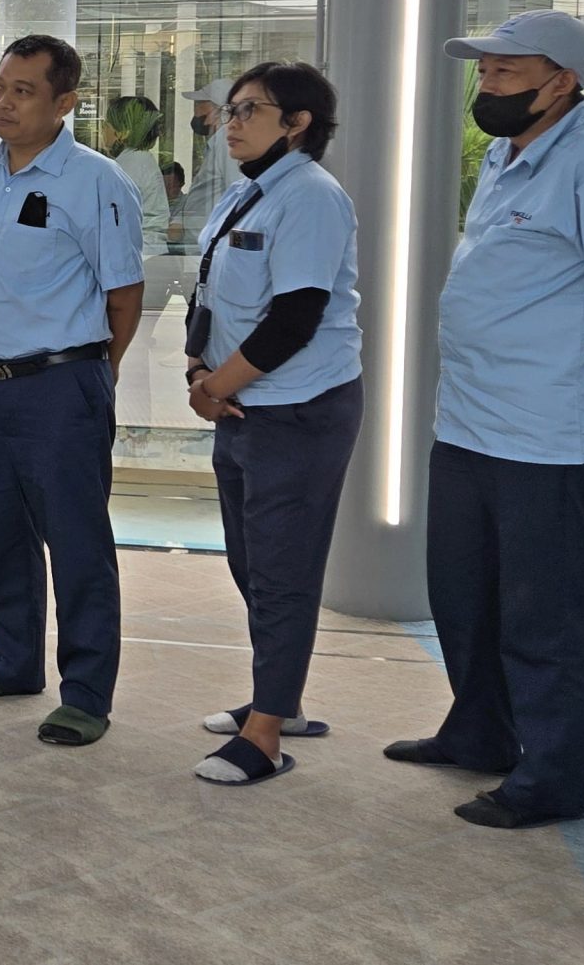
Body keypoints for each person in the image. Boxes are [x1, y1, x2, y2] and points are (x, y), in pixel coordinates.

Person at [388, 9, 584, 829]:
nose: (486, 83)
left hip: (550, 437)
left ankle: (555, 778)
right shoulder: (508, 154)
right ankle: (482, 731)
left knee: (548, 618)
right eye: (484, 70)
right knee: (466, 597)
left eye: (506, 70)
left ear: (562, 81)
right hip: (470, 423)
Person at [0, 34, 144, 747]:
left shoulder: (94, 180)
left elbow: (124, 293)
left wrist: (97, 374)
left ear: (65, 103)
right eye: (0, 86)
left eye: (24, 90)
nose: (4, 102)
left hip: (61, 382)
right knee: (1, 530)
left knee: (76, 540)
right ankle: (14, 661)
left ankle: (85, 693)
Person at [181, 62, 365, 786]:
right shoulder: (246, 192)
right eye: (230, 110)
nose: (230, 123)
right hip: (240, 403)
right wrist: (197, 370)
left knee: (283, 570)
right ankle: (277, 700)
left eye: (249, 110)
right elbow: (209, 288)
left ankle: (265, 737)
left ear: (298, 123)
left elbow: (296, 317)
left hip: (298, 409)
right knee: (251, 562)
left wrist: (215, 386)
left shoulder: (312, 197)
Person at [102, 94, 172, 254]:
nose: (103, 130)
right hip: (148, 252)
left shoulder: (127, 167)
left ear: (123, 132)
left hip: (138, 254)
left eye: (107, 125)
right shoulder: (141, 160)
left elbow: (112, 222)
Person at [177, 80, 243, 241]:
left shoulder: (227, 142)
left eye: (200, 104)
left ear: (219, 109)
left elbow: (236, 191)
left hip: (212, 240)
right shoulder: (218, 141)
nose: (195, 109)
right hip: (203, 239)